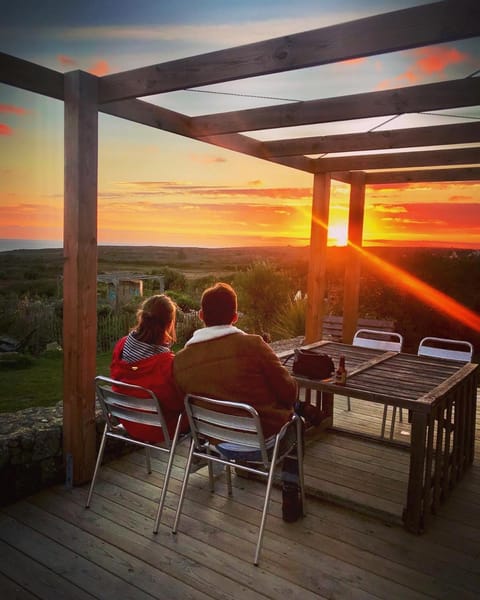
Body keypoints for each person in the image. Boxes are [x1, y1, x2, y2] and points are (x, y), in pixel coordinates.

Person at [173, 282, 298, 438]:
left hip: (213, 438)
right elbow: (289, 393)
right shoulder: (254, 345)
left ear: (201, 315)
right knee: (296, 426)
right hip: (261, 438)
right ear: (235, 317)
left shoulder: (180, 361)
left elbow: (184, 404)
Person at [110, 294, 187, 443]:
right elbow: (176, 403)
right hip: (158, 428)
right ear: (169, 323)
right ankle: (204, 455)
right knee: (198, 413)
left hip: (129, 420)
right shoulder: (166, 364)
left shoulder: (121, 345)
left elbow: (115, 377)